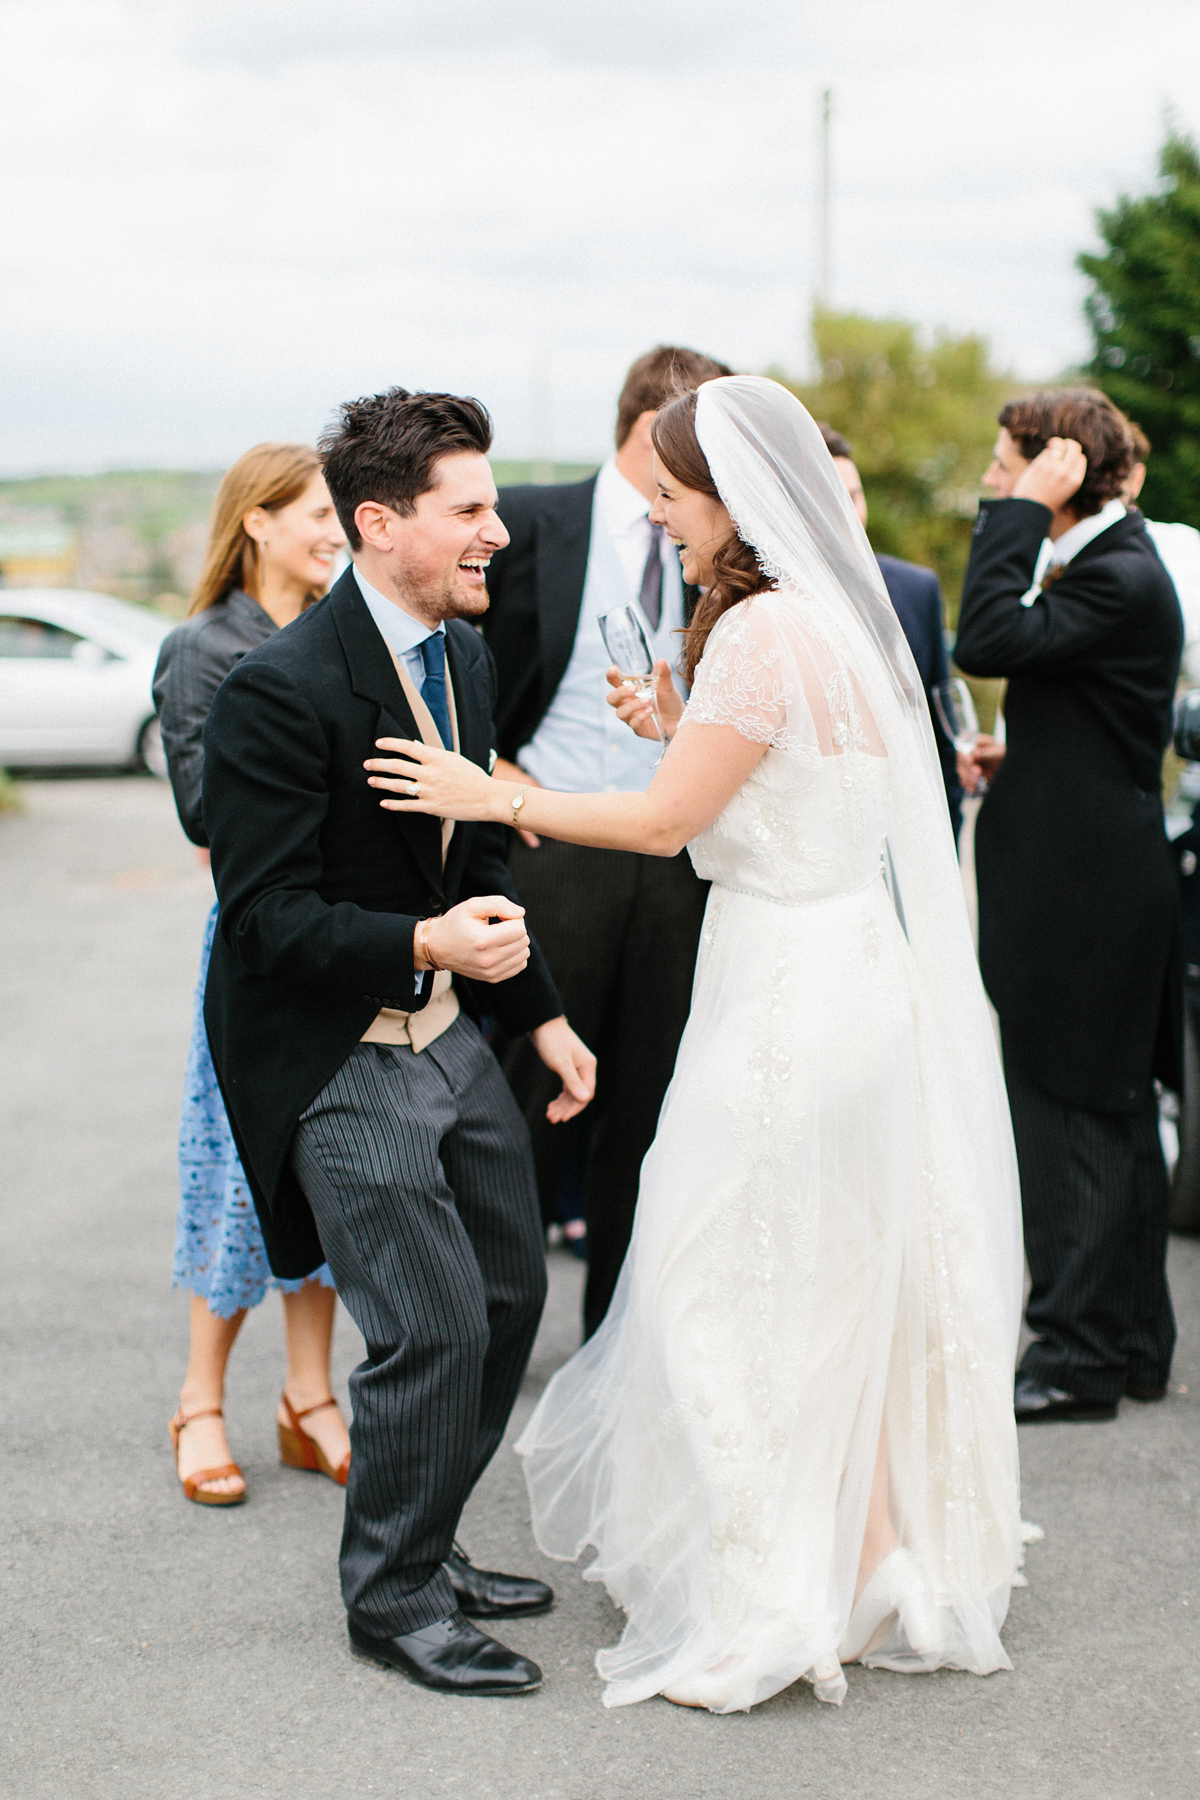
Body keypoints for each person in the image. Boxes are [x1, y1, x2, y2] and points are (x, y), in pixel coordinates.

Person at [366, 376, 1025, 1713]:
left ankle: (777, 1594)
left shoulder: (758, 630)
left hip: (786, 987)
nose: (661, 525)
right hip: (851, 976)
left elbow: (669, 828)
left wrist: (498, 790)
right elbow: (788, 776)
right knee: (837, 1276)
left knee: (728, 1282)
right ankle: (874, 1555)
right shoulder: (828, 621)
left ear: (731, 501)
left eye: (672, 503)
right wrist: (682, 729)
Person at [201, 387, 596, 1697]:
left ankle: (426, 1539)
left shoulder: (464, 656)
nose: (498, 532)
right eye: (469, 510)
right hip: (336, 1050)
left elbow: (476, 852)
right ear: (380, 522)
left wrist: (538, 1018)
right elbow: (263, 921)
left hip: (454, 1039)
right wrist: (423, 947)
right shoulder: (278, 690)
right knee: (430, 1325)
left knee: (507, 1296)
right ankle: (394, 1601)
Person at [482, 344, 731, 1335]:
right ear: (649, 428)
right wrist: (494, 773)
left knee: (650, 1102)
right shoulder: (533, 522)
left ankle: (616, 1343)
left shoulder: (729, 542)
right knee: (531, 1094)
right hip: (559, 853)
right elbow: (443, 656)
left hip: (679, 859)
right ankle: (491, 1328)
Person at [954, 390, 1182, 1425]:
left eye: (1011, 466)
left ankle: (1074, 1357)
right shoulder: (1115, 566)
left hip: (1083, 891)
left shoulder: (1120, 570)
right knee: (1113, 1113)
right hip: (1095, 866)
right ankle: (1131, 1341)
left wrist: (1016, 516)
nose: (995, 484)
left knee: (1069, 1116)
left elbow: (987, 638)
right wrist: (1033, 753)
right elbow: (1090, 701)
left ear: (1058, 468)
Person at [153, 442, 352, 1505]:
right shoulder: (205, 646)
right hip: (258, 949)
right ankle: (201, 1401)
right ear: (258, 521)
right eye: (316, 512)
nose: (335, 528)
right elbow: (204, 813)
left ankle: (309, 1401)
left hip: (343, 939)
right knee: (233, 1179)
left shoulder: (340, 632)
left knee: (318, 1178)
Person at [819, 422, 963, 839]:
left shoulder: (917, 589)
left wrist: (946, 836)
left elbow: (941, 731)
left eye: (855, 496)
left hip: (910, 834)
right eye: (832, 499)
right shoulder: (759, 603)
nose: (849, 513)